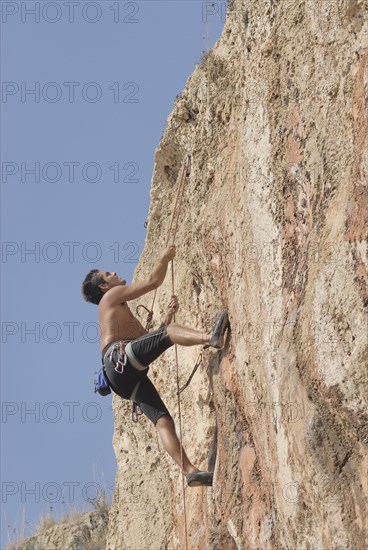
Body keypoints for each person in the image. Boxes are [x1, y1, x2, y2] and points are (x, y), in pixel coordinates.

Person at [81, 244, 229, 487]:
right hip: (119, 360)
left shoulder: (117, 311)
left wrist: (168, 318)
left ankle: (190, 471)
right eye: (109, 274)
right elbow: (152, 281)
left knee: (163, 420)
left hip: (123, 379)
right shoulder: (110, 297)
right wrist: (164, 258)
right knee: (170, 333)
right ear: (104, 286)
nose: (115, 273)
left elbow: (151, 341)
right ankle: (210, 337)